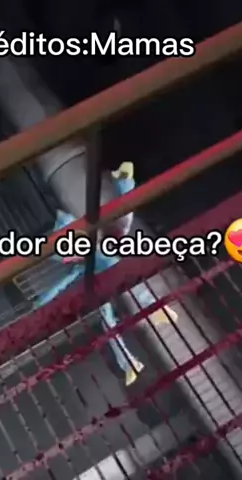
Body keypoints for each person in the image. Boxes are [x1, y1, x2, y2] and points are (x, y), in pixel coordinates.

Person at [35, 163, 177, 386]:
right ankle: (132, 358)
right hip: (106, 272)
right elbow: (66, 278)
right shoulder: (86, 251)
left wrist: (42, 302)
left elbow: (66, 277)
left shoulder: (86, 250)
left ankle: (133, 356)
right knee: (114, 309)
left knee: (114, 309)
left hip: (106, 272)